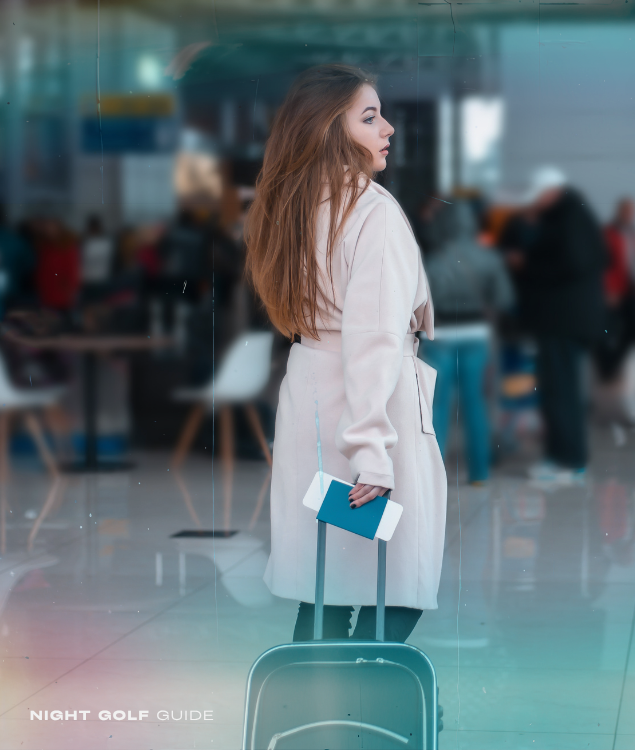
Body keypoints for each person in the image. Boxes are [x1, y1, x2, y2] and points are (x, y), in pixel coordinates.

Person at [244, 64, 446, 643]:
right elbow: (376, 337)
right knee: (400, 577)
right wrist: (373, 453)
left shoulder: (287, 209)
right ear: (330, 129)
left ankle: (313, 715)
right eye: (369, 117)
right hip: (372, 409)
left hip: (311, 392)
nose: (387, 128)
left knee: (325, 582)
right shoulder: (371, 212)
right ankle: (366, 708)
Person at [501, 166, 608, 484]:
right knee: (563, 391)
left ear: (552, 192)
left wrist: (528, 264)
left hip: (561, 321)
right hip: (570, 320)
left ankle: (568, 461)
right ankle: (568, 460)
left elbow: (569, 263)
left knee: (560, 392)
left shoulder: (568, 217)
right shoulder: (577, 215)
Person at [420, 199, 513, 485]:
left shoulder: (433, 261)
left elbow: (419, 303)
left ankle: (434, 476)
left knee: (437, 407)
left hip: (439, 338)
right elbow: (505, 300)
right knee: (476, 404)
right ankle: (479, 473)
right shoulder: (489, 258)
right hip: (476, 336)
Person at [595, 197, 635, 382]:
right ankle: (606, 367)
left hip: (633, 289)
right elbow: (603, 264)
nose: (631, 214)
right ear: (619, 210)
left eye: (633, 210)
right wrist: (609, 289)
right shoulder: (608, 233)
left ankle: (610, 367)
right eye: (627, 210)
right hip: (615, 291)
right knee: (607, 332)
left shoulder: (634, 233)